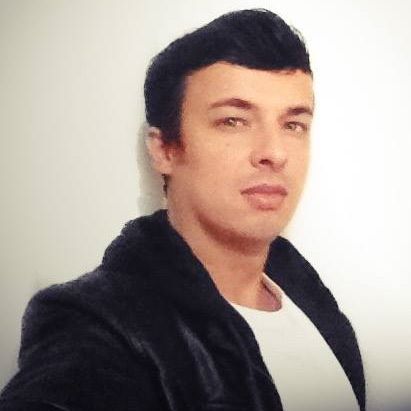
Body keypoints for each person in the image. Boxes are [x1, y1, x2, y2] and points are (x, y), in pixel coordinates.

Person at [0, 9, 365, 411]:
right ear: (164, 150)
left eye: (293, 125)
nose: (274, 153)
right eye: (234, 121)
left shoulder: (306, 294)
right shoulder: (100, 327)